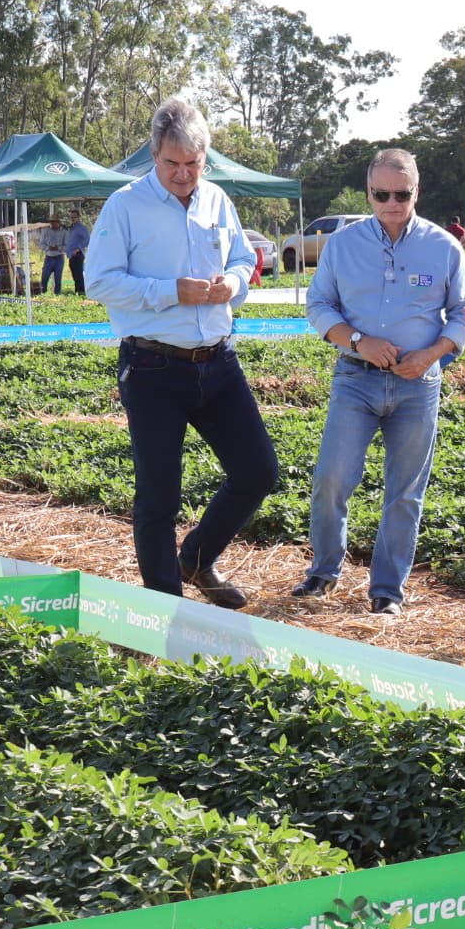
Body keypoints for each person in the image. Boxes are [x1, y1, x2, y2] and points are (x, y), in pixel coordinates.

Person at [85, 97, 279, 609]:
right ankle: (162, 608)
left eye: (193, 164)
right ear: (154, 154)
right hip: (152, 366)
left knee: (258, 471)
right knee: (159, 497)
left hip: (217, 360)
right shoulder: (125, 205)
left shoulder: (217, 200)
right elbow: (99, 282)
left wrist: (232, 282)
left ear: (205, 158)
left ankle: (195, 558)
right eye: (172, 163)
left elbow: (243, 257)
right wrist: (173, 290)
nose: (182, 174)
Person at [293, 149, 465, 615]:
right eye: (381, 194)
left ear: (417, 191)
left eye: (402, 194)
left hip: (419, 386)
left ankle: (387, 591)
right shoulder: (343, 245)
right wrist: (358, 341)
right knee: (332, 478)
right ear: (368, 192)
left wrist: (432, 355)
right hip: (356, 378)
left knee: (405, 492)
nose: (392, 203)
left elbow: (464, 315)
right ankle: (324, 571)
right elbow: (318, 306)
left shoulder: (444, 247)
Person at [39, 215, 68, 295]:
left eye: (54, 222)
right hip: (48, 257)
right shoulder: (45, 231)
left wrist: (58, 248)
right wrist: (48, 247)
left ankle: (57, 295)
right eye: (51, 222)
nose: (52, 223)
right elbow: (41, 244)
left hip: (59, 257)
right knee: (44, 277)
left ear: (59, 222)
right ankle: (42, 293)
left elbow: (67, 246)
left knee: (58, 278)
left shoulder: (64, 232)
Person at [66, 207, 91, 294]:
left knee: (78, 274)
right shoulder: (72, 228)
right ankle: (78, 291)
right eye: (71, 217)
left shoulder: (81, 228)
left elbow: (87, 240)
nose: (72, 219)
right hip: (71, 255)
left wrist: (78, 249)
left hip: (78, 254)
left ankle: (81, 291)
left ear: (78, 217)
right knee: (74, 273)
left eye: (74, 217)